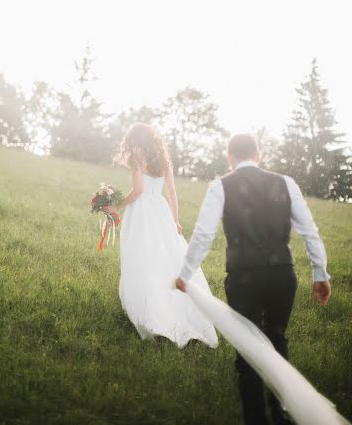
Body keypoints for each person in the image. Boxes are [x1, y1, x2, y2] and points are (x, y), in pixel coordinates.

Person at [175, 133, 331, 425]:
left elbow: (203, 235)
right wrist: (320, 273)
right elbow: (310, 231)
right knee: (277, 340)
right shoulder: (287, 183)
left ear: (229, 157)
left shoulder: (220, 186)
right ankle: (281, 415)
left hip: (243, 278)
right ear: (258, 155)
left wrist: (185, 274)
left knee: (247, 353)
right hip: (282, 276)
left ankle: (256, 419)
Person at [103, 123, 218, 349]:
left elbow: (138, 190)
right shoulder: (163, 160)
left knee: (143, 258)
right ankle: (180, 312)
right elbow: (172, 192)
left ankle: (153, 314)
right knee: (167, 259)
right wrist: (175, 220)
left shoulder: (137, 157)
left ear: (135, 140)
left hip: (142, 212)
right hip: (161, 211)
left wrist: (117, 205)